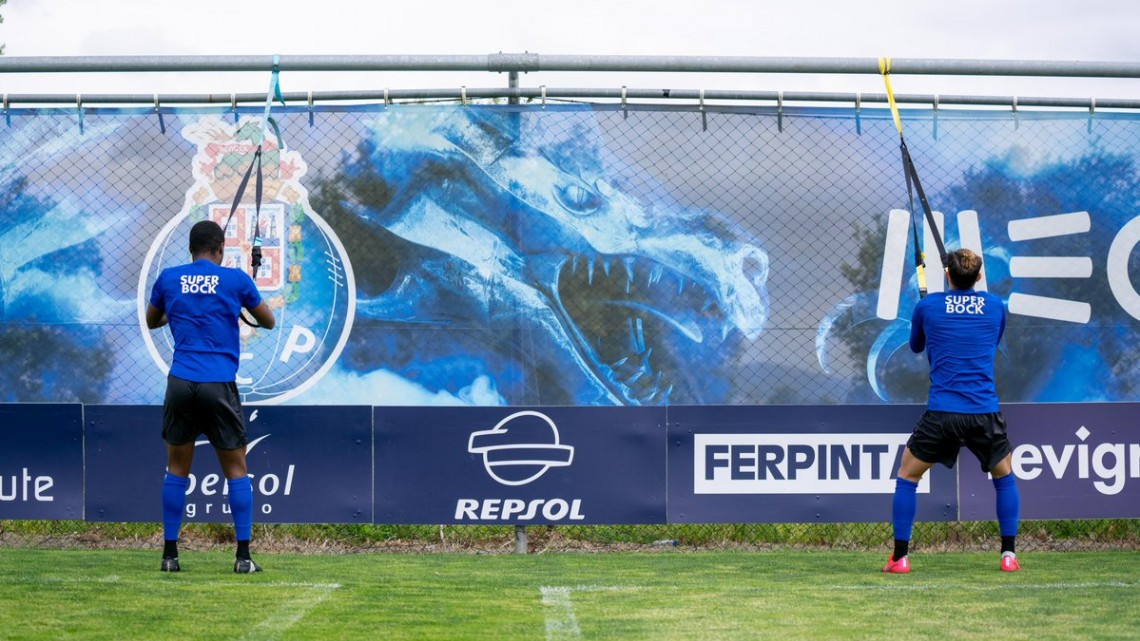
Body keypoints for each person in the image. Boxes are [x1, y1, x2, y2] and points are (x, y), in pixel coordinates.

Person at [145, 220, 276, 573]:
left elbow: (152, 319)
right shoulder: (235, 280)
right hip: (218, 384)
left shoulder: (169, 278)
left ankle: (170, 556)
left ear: (192, 249)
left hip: (180, 381)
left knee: (176, 469)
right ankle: (243, 557)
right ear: (220, 249)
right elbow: (269, 322)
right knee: (236, 469)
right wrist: (239, 300)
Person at [883, 248, 1020, 574]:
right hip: (983, 412)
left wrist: (931, 315)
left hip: (942, 413)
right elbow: (990, 339)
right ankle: (1009, 555)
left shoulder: (927, 306)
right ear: (980, 277)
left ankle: (900, 557)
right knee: (1004, 477)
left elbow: (917, 346)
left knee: (906, 475)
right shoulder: (995, 306)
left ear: (947, 275)